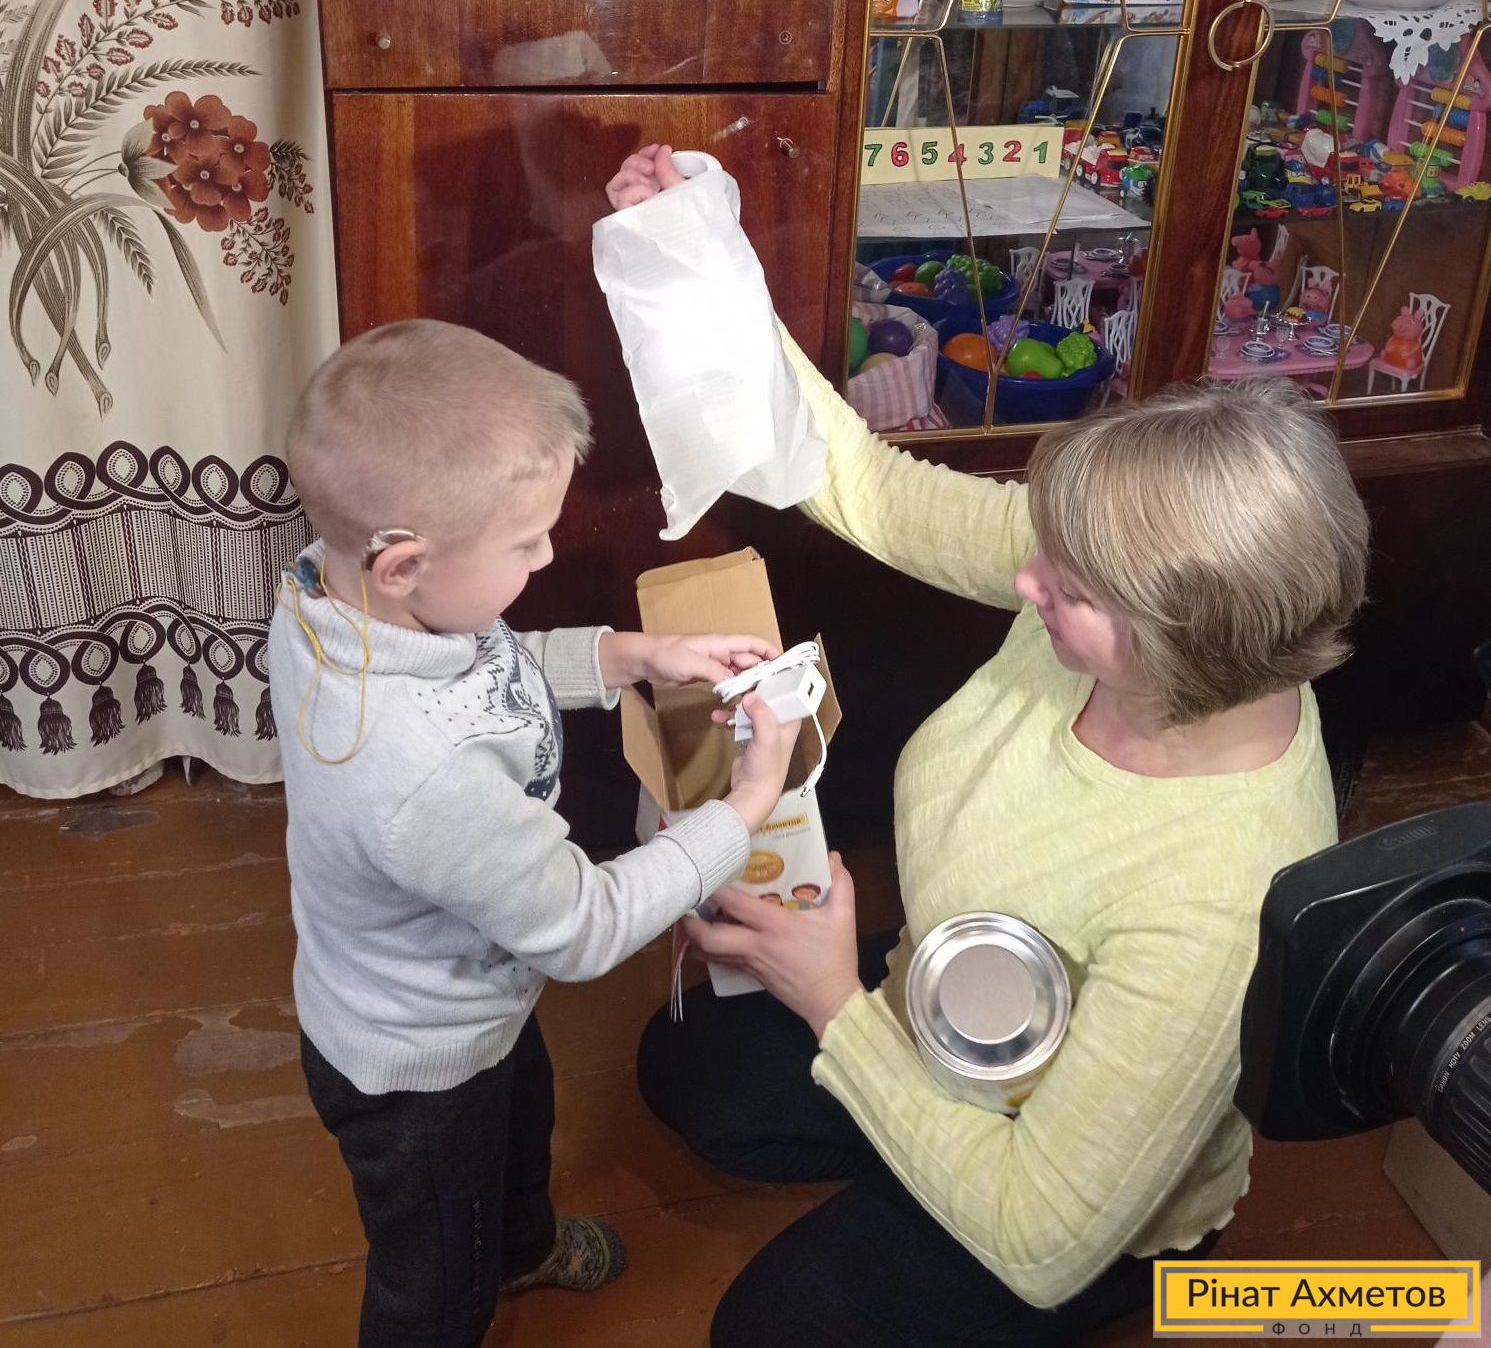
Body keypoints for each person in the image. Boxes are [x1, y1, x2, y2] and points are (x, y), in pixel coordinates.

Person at [606, 146, 1372, 1346]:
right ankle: (912, 1132)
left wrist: (831, 1001)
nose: (1025, 579)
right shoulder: (1139, 585)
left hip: (1072, 1211)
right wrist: (699, 258)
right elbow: (862, 480)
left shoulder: (1223, 897)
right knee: (689, 1066)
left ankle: (1118, 1262)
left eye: (1064, 589)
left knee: (768, 1331)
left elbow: (1040, 1239)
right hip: (960, 1005)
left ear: (1165, 641)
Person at [268, 318, 800, 1347]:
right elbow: (584, 926)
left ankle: (520, 1242)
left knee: (518, 1132)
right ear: (404, 564)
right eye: (524, 544)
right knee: (437, 1274)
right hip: (417, 1066)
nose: (549, 553)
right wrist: (743, 808)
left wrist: (628, 656)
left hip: (475, 1000)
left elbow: (492, 670)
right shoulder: (422, 777)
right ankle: (479, 1275)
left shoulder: (330, 591)